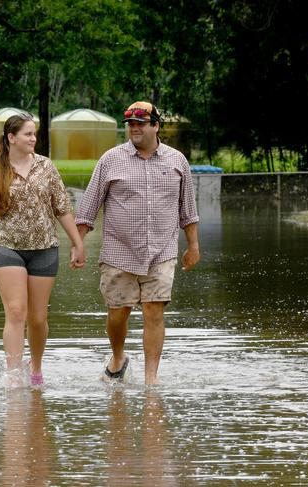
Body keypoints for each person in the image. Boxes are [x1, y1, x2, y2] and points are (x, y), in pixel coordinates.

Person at [75, 101, 200, 385]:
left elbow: (188, 210)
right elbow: (88, 206)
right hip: (119, 252)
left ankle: (150, 379)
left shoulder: (177, 161)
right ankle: (118, 356)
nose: (134, 128)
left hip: (162, 250)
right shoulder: (110, 159)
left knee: (153, 310)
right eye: (130, 124)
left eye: (140, 124)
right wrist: (78, 243)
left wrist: (193, 246)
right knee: (118, 313)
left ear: (156, 126)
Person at [0, 113, 86, 387]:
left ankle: (36, 370)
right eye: (28, 134)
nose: (33, 139)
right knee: (16, 311)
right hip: (7, 248)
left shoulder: (46, 167)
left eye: (34, 134)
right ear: (11, 138)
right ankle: (14, 375)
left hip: (44, 248)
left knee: (38, 318)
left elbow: (62, 208)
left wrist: (77, 243)